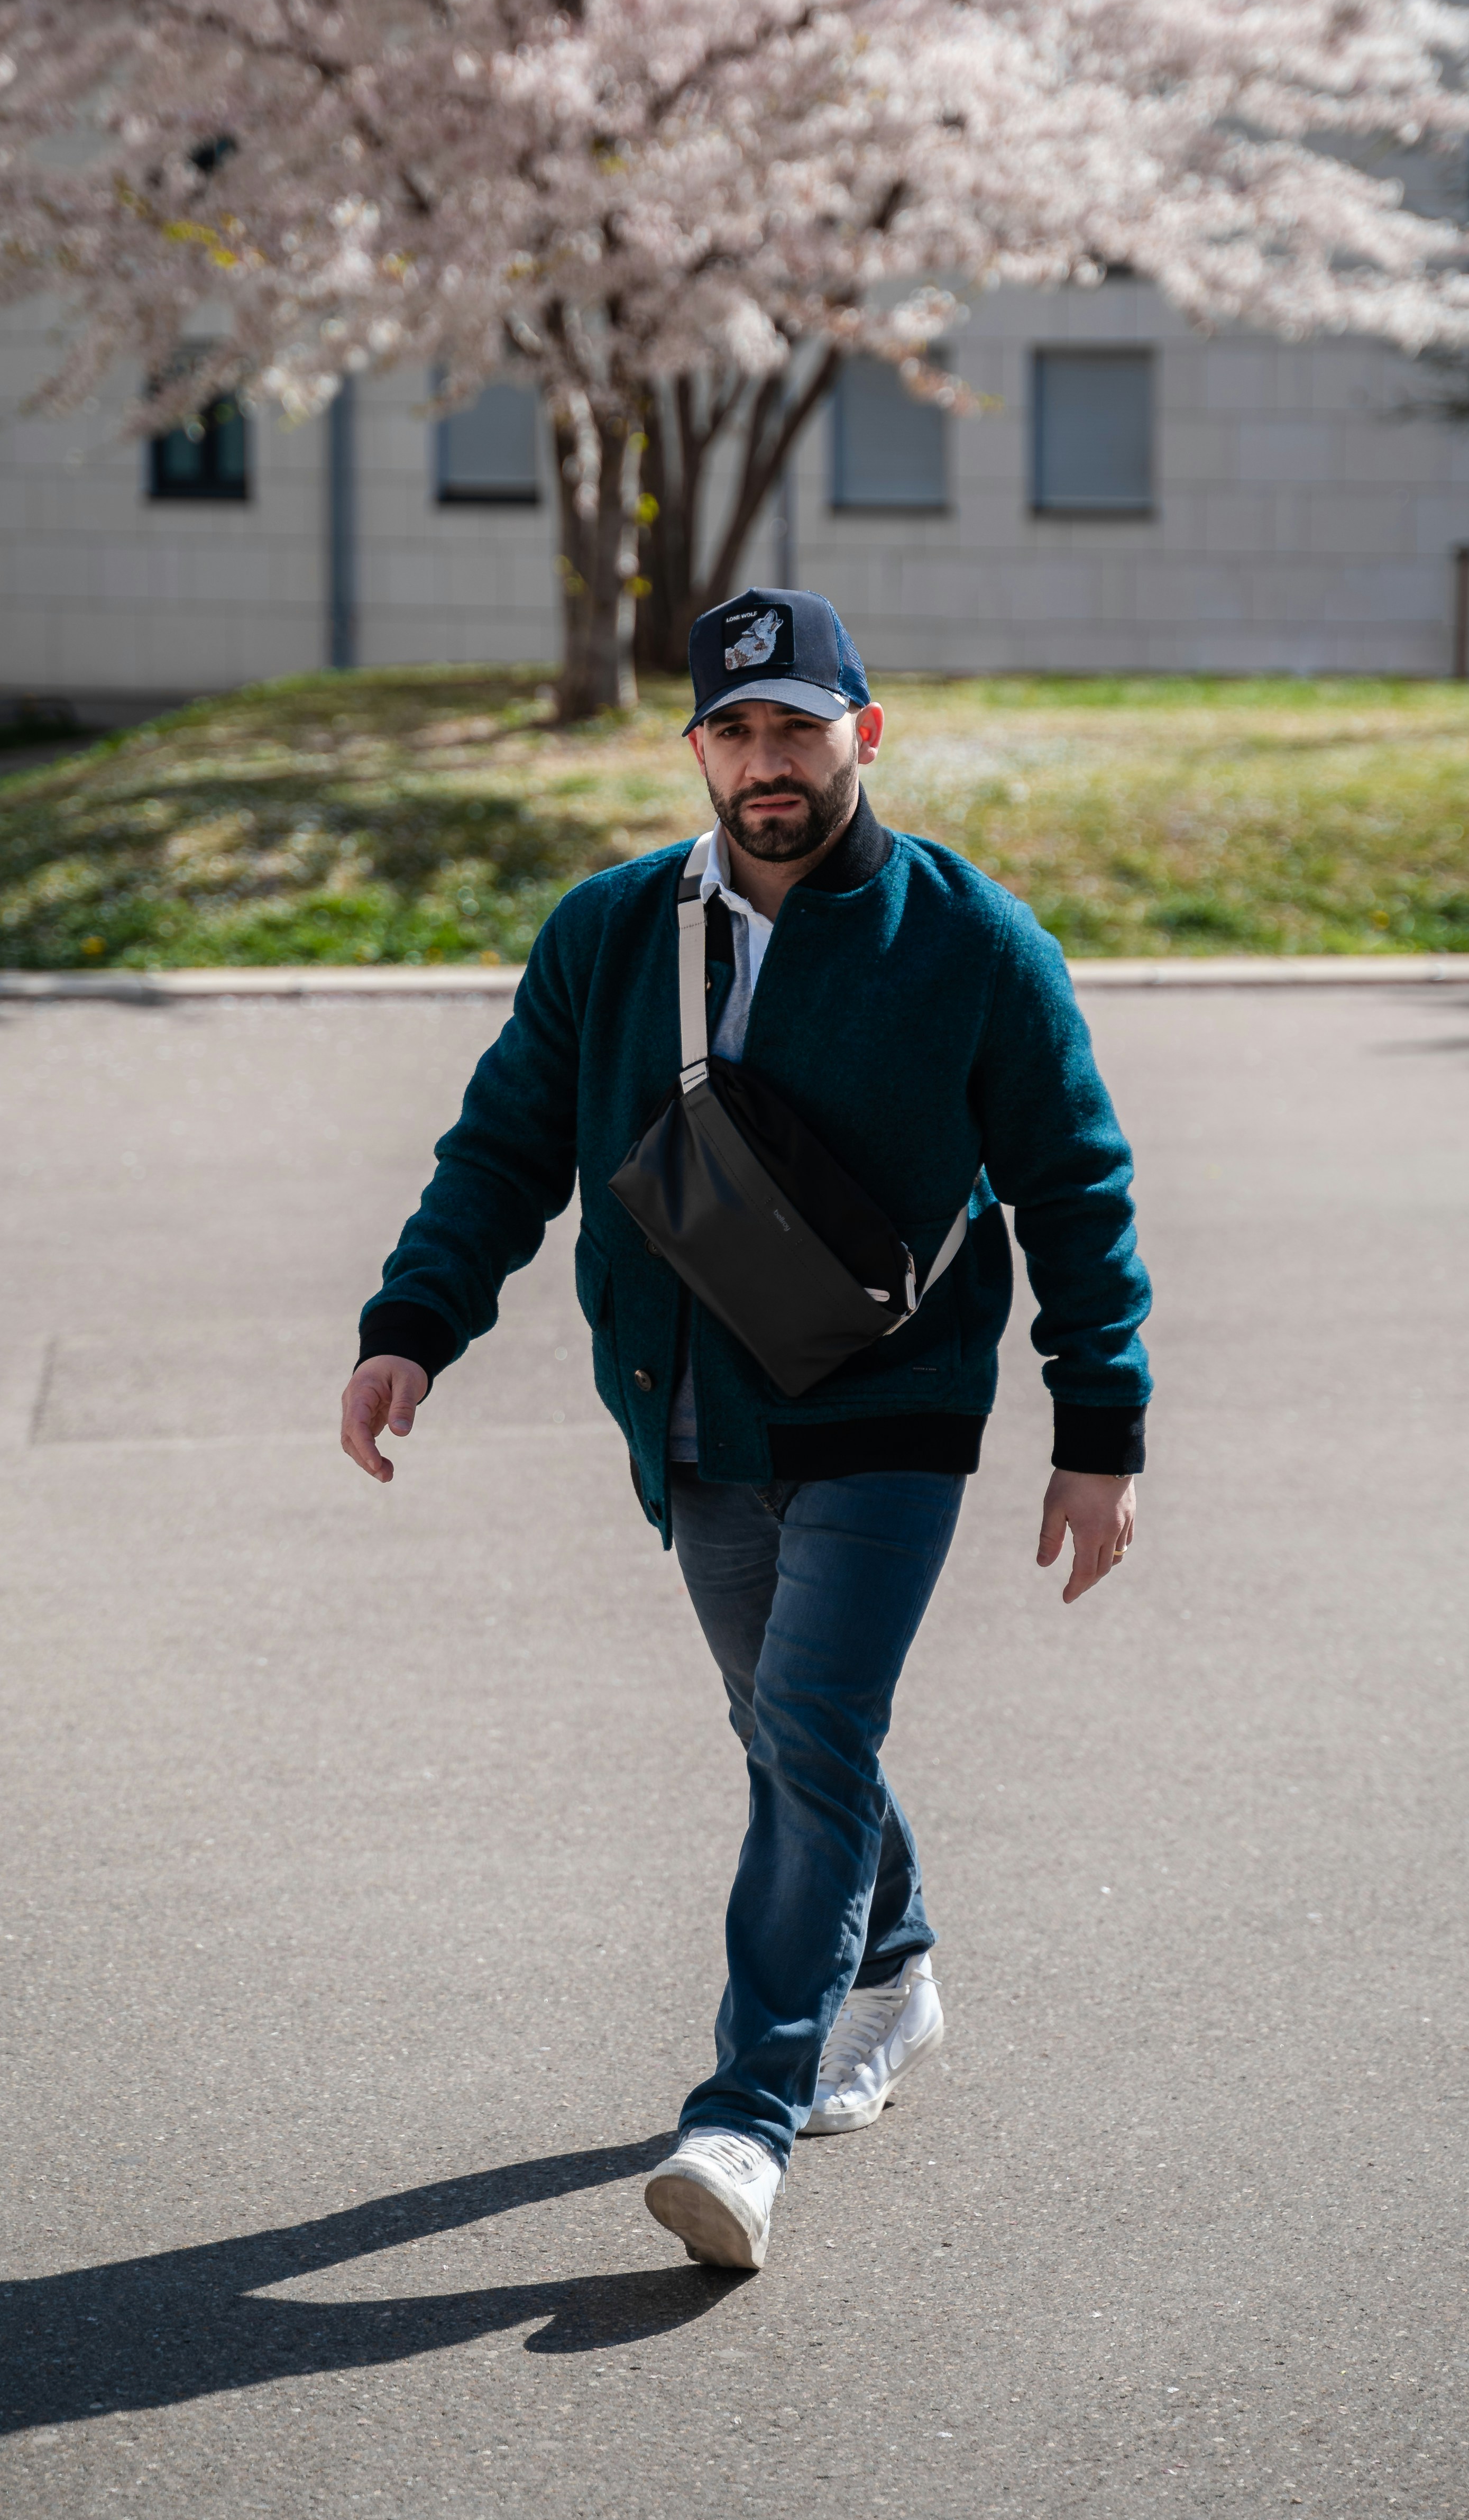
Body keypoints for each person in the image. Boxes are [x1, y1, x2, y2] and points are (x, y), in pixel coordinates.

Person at [341, 586, 1152, 2272]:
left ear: (867, 730)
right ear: (697, 746)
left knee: (806, 1725)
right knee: (796, 1734)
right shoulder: (614, 932)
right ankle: (896, 1966)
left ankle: (745, 2119)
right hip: (690, 1412)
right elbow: (506, 1148)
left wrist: (1101, 1428)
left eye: (799, 726)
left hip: (893, 1405)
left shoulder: (973, 942)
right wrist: (415, 1323)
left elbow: (1078, 1190)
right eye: (736, 729)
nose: (766, 761)